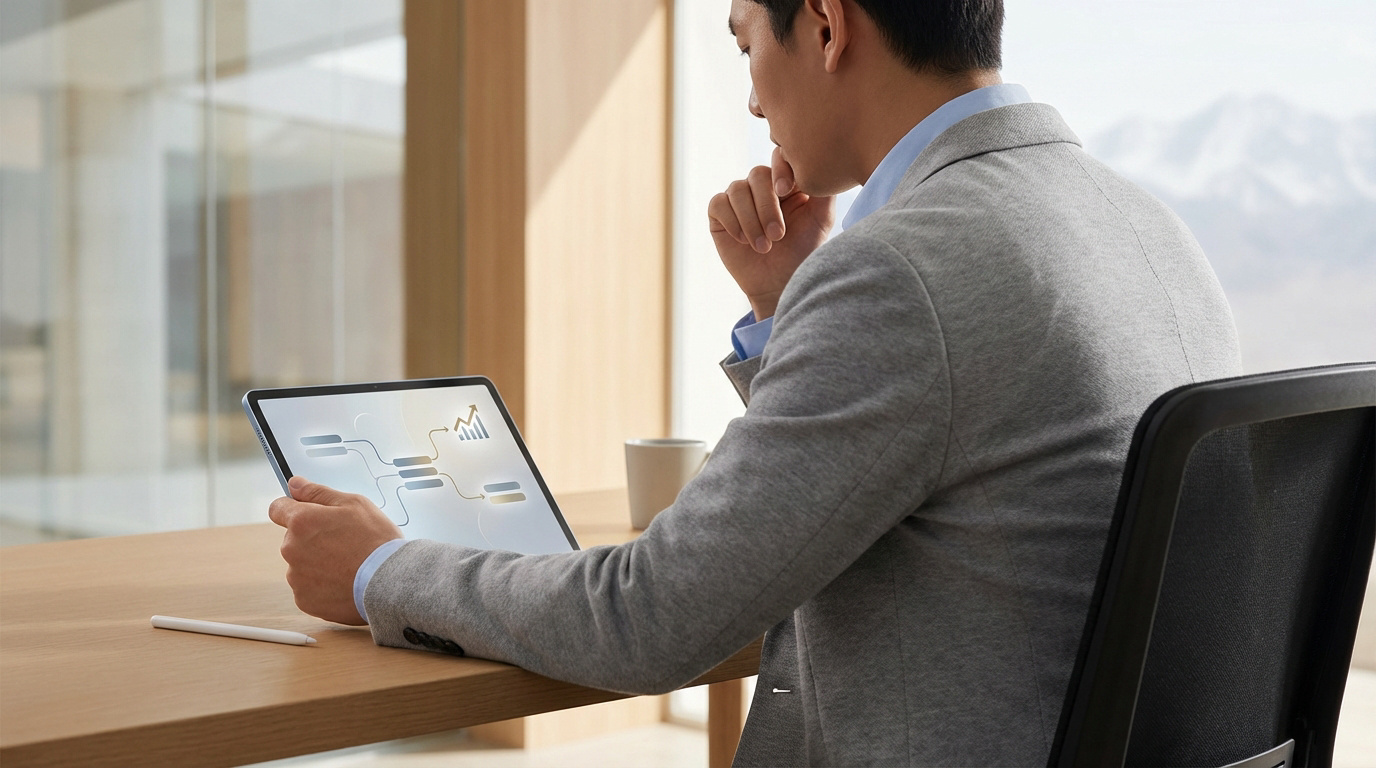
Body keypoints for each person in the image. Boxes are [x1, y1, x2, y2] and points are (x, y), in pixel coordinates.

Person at [267, 0, 1242, 763]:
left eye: (743, 47)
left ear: (824, 24)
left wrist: (377, 570)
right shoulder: (1144, 224)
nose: (747, 100)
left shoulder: (903, 270)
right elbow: (954, 470)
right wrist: (788, 306)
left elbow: (649, 618)